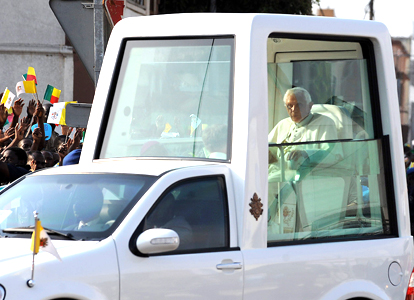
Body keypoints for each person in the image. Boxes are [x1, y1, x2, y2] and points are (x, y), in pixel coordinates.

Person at [267, 87, 342, 234]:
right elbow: (269, 148)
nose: (293, 109)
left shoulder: (325, 123)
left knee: (267, 185)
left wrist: (306, 153)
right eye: (289, 106)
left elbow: (333, 153)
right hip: (279, 171)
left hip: (307, 175)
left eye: (298, 105)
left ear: (310, 105)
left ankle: (269, 227)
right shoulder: (283, 124)